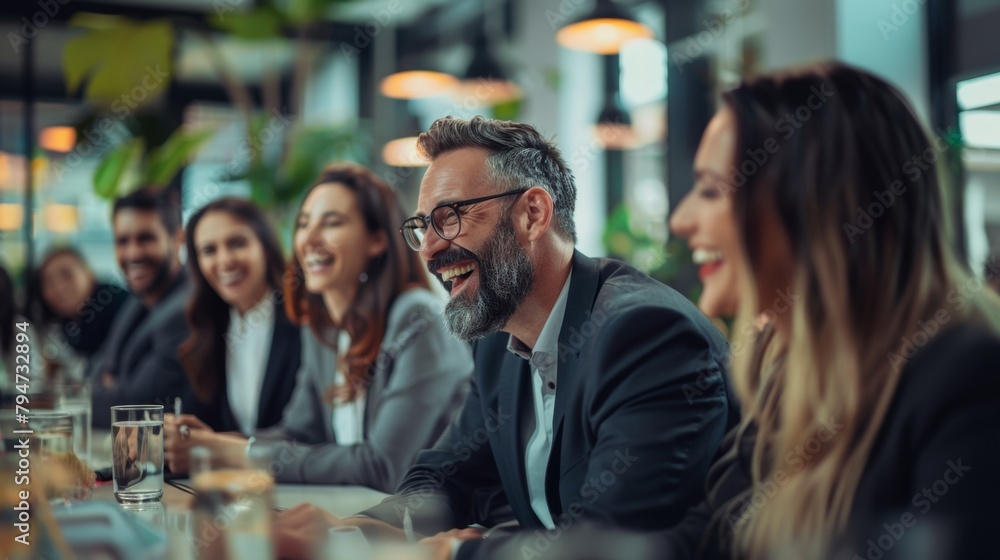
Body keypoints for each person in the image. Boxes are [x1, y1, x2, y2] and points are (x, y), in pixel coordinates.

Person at [274, 117, 738, 559]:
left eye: (450, 216)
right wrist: (366, 531)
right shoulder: (499, 341)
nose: (431, 247)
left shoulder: (642, 333)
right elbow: (444, 475)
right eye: (422, 227)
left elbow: (614, 538)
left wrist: (461, 552)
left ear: (533, 214)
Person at [655, 63, 1000, 559]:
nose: (681, 219)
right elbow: (708, 540)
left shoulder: (968, 376)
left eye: (711, 190)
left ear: (814, 205)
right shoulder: (790, 365)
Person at [163, 164, 472, 493]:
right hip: (354, 519)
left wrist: (227, 452)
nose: (308, 239)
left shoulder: (418, 317)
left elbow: (384, 467)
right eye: (304, 224)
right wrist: (210, 441)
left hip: (432, 530)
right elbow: (299, 433)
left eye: (332, 223)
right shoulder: (323, 329)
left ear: (377, 239)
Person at [172, 198, 301, 434]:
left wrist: (219, 447)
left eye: (237, 243)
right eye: (209, 250)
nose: (225, 261)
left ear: (265, 247)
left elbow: (305, 434)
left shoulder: (301, 322)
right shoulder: (210, 327)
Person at [87, 188, 192, 428]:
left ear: (177, 239)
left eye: (146, 238)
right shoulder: (138, 299)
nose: (133, 253)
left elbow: (132, 409)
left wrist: (113, 382)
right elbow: (95, 369)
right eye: (123, 241)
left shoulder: (185, 309)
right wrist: (109, 383)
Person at [32, 247, 128, 382]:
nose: (58, 288)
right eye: (49, 282)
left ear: (88, 273)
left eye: (67, 275)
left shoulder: (117, 304)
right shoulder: (66, 325)